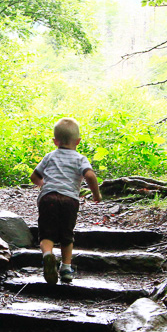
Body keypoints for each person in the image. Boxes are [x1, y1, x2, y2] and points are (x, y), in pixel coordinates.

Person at [30, 117, 102, 285]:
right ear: (78, 141)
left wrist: (44, 185)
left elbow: (34, 177)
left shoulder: (49, 156)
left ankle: (48, 256)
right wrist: (96, 195)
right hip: (69, 199)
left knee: (46, 233)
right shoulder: (80, 159)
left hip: (48, 198)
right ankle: (66, 268)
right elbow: (90, 175)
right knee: (66, 235)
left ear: (55, 141)